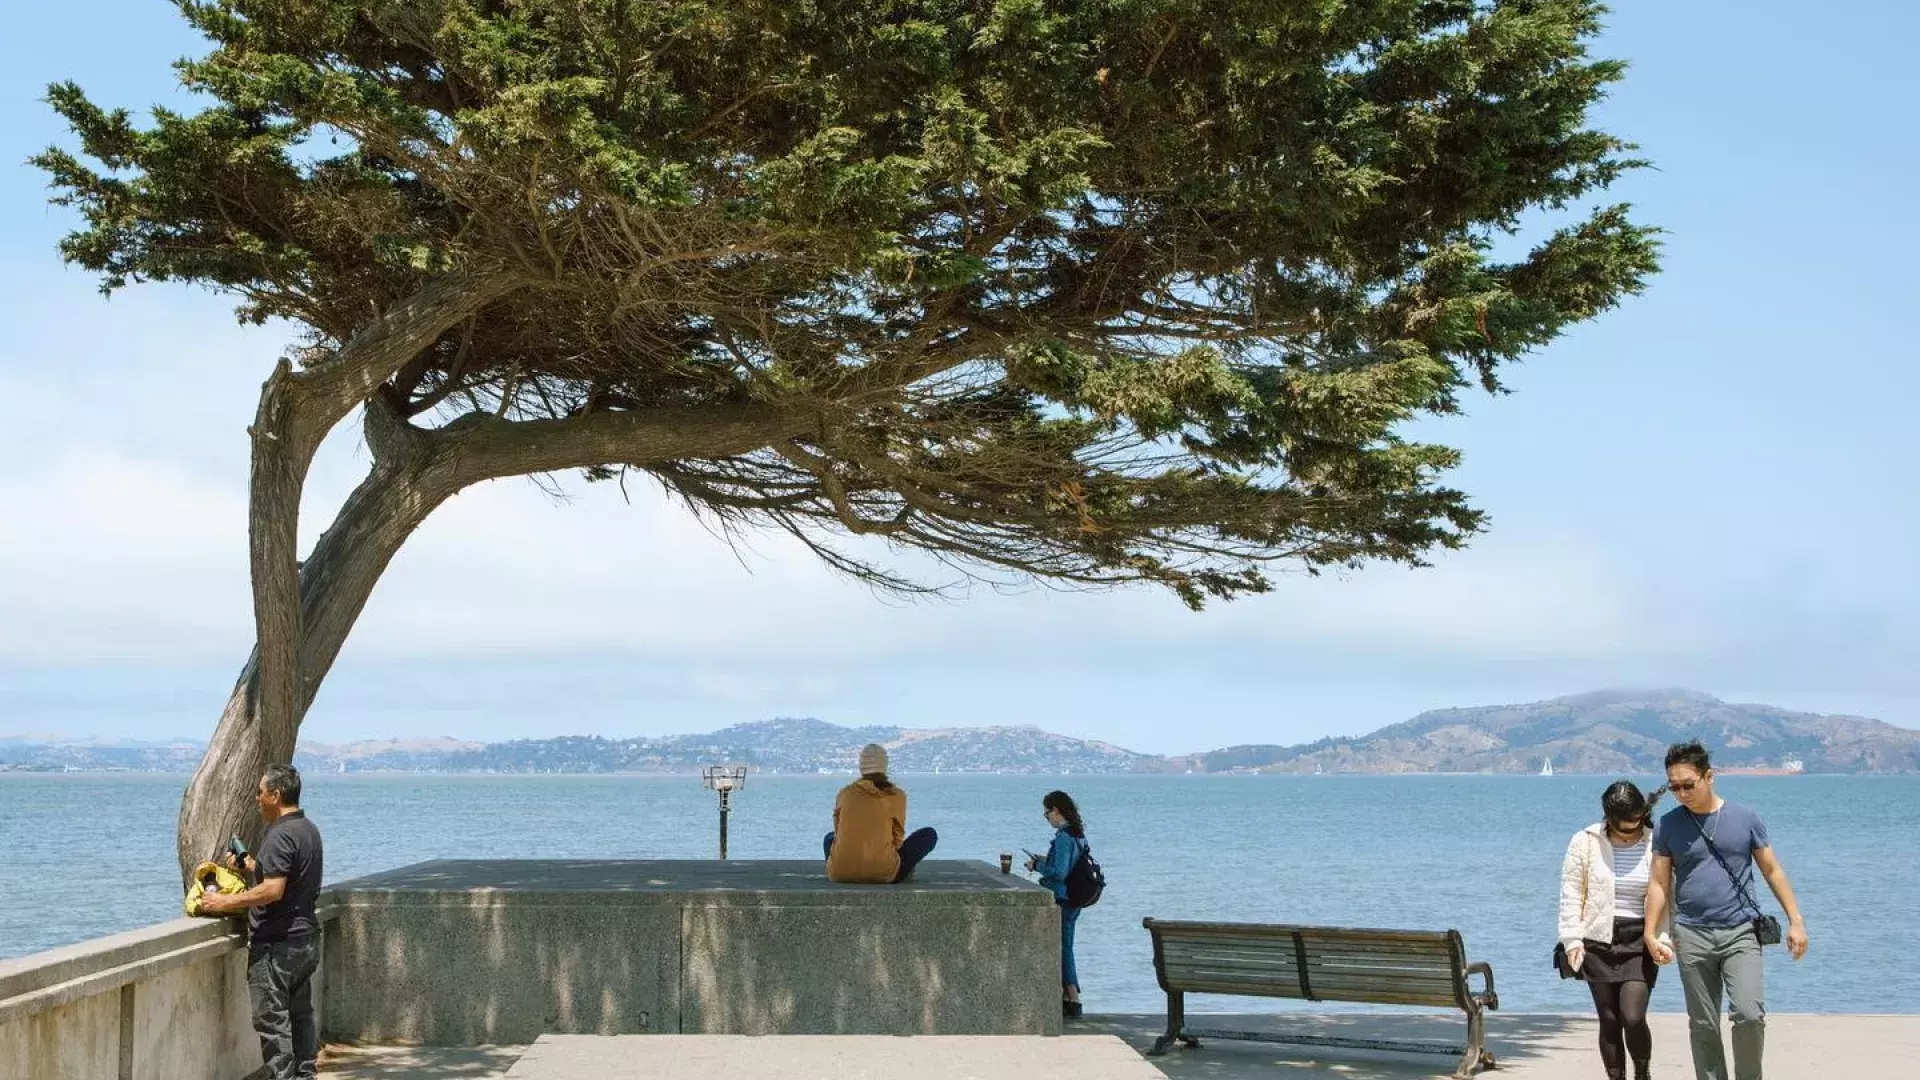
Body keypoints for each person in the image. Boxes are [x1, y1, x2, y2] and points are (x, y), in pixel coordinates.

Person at [1644, 741, 1809, 1080]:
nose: (1681, 793)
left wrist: (1796, 920)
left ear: (1709, 776)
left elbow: (1772, 870)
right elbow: (1659, 883)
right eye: (1674, 787)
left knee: (1749, 1015)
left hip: (1741, 932)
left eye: (1688, 784)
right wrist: (1651, 932)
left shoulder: (1745, 818)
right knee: (1703, 1024)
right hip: (1691, 934)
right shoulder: (1668, 825)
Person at [198, 764, 324, 1080]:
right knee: (300, 1016)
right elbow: (288, 878)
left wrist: (222, 901)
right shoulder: (308, 830)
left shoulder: (280, 835)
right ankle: (305, 1075)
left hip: (277, 945)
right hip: (304, 940)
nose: (256, 799)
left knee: (272, 1020)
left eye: (260, 792)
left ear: (275, 795)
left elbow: (273, 889)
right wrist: (252, 866)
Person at [1560, 780, 1671, 1080]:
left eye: (1635, 824)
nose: (1630, 831)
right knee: (1608, 1020)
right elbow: (1571, 893)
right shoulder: (1584, 842)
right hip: (1597, 939)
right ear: (1607, 817)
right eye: (1623, 827)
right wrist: (1571, 940)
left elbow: (1668, 895)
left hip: (1641, 938)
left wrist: (1664, 939)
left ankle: (1643, 1073)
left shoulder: (1656, 841)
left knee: (1632, 1017)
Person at [823, 743, 938, 883]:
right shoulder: (897, 796)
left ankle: (844, 867)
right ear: (885, 766)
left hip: (839, 874)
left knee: (829, 838)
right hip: (885, 873)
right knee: (929, 834)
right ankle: (900, 871)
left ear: (861, 766)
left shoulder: (844, 794)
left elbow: (837, 832)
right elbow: (897, 840)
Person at [1026, 790, 1088, 1019]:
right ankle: (1068, 995)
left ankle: (1072, 998)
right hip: (1075, 898)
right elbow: (1069, 864)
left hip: (1064, 898)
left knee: (1064, 947)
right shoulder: (1078, 835)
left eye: (1047, 813)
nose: (1046, 818)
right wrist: (1046, 859)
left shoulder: (1063, 837)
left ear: (1057, 810)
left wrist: (1036, 866)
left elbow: (1060, 873)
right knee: (1066, 945)